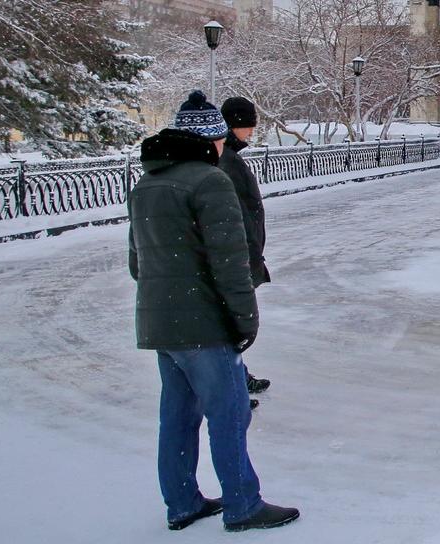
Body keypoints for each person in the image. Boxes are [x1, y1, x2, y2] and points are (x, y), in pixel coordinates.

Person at [128, 90, 299, 532]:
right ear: (209, 140)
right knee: (230, 413)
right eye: (221, 137)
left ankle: (182, 502)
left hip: (159, 321)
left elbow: (136, 264)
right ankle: (243, 504)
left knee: (178, 417)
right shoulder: (210, 181)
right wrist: (245, 319)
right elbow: (230, 262)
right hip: (204, 323)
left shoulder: (146, 183)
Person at [218, 96, 272, 409]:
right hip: (237, 255)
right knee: (230, 324)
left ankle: (238, 376)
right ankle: (233, 383)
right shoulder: (225, 160)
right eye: (248, 125)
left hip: (242, 252)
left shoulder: (228, 156)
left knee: (230, 323)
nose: (251, 131)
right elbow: (233, 212)